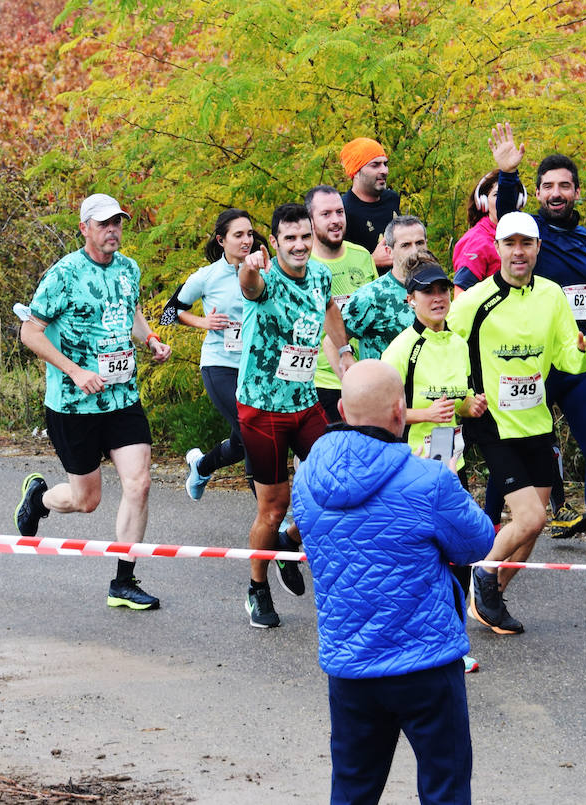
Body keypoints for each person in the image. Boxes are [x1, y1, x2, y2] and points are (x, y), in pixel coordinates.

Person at [292, 359, 494, 805]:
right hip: (425, 661)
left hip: (349, 663)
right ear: (400, 412)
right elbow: (478, 542)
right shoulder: (429, 480)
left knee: (351, 790)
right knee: (446, 789)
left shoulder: (306, 479)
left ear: (342, 410)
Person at [487, 122, 586, 569]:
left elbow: (569, 291)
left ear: (576, 192)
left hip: (575, 358)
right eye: (548, 186)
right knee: (513, 450)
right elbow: (504, 220)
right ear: (537, 194)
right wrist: (508, 174)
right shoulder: (529, 228)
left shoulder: (583, 235)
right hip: (531, 361)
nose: (556, 192)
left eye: (564, 186)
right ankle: (487, 534)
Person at [445, 211, 586, 634]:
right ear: (497, 249)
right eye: (510, 244)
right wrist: (462, 399)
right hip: (494, 423)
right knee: (531, 518)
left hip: (537, 418)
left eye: (527, 244)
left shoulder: (552, 295)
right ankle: (483, 573)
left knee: (531, 529)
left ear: (537, 249)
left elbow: (565, 358)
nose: (519, 252)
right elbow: (442, 350)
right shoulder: (473, 302)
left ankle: (489, 600)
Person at [14, 194, 172, 611]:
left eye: (117, 222)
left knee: (139, 483)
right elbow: (31, 333)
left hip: (122, 397)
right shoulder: (63, 274)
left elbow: (131, 313)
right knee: (87, 500)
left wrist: (151, 338)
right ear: (84, 228)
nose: (113, 230)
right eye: (103, 224)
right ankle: (40, 499)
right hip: (73, 404)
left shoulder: (129, 269)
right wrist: (75, 371)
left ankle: (123, 581)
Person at [235, 202, 356, 628]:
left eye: (305, 236)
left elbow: (329, 310)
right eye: (290, 239)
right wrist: (249, 267)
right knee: (274, 505)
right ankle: (257, 588)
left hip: (304, 403)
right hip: (262, 408)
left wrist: (342, 350)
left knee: (338, 481)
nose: (301, 245)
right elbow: (249, 285)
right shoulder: (264, 279)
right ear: (274, 243)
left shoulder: (321, 273)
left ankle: (290, 541)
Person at [380, 262, 490, 672]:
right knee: (415, 562)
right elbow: (378, 412)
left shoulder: (459, 343)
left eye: (443, 290)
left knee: (457, 554)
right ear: (411, 300)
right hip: (409, 470)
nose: (438, 297)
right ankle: (408, 642)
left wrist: (469, 405)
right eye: (428, 292)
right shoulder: (402, 347)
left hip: (449, 465)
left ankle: (453, 645)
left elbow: (458, 401)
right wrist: (423, 414)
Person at [163, 209, 258, 501]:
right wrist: (204, 322)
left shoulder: (265, 269)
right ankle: (272, 514)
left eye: (250, 234)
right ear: (221, 240)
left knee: (244, 441)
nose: (246, 240)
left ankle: (202, 465)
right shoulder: (207, 276)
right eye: (238, 235)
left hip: (256, 365)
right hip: (221, 365)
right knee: (253, 431)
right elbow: (169, 313)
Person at [304, 186, 378, 423]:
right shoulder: (300, 265)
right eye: (326, 214)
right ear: (311, 221)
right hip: (320, 380)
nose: (335, 220)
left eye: (339, 212)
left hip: (365, 374)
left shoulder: (362, 256)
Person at [339, 215, 426, 361]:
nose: (414, 251)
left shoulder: (436, 290)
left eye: (419, 243)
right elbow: (332, 342)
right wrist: (351, 378)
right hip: (385, 381)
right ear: (389, 251)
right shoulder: (370, 296)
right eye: (405, 245)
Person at [452, 169, 524, 292]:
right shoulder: (477, 241)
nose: (504, 200)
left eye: (510, 194)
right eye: (497, 195)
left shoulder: (527, 234)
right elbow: (461, 297)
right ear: (483, 202)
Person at [340, 138, 399, 272]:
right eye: (375, 165)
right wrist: (372, 261)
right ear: (356, 171)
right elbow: (338, 266)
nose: (384, 170)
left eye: (385, 164)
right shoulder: (343, 211)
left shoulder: (392, 199)